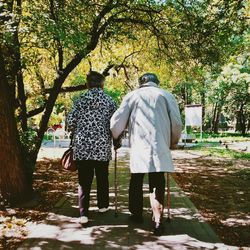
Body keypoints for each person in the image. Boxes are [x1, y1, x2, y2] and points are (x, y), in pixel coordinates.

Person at [110, 73, 182, 235]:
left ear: (140, 83)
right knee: (157, 181)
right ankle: (157, 221)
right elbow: (177, 122)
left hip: (139, 147)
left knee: (136, 180)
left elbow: (117, 122)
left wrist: (115, 136)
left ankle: (136, 214)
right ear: (157, 82)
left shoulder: (132, 96)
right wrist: (173, 141)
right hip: (160, 146)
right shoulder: (166, 95)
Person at [67, 71, 117, 225]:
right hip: (102, 147)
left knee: (84, 181)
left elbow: (70, 122)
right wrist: (117, 141)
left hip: (83, 146)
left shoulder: (79, 100)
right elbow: (116, 125)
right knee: (102, 177)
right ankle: (102, 206)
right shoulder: (109, 100)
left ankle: (83, 213)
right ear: (102, 84)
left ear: (88, 84)